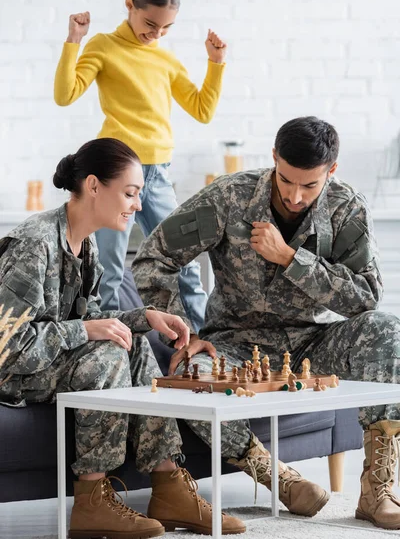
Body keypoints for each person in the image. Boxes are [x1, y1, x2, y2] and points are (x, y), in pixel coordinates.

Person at [132, 115, 400, 531]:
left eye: (309, 185)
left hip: (315, 343)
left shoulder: (348, 207)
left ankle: (376, 491)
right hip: (234, 346)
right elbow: (155, 258)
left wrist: (292, 260)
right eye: (286, 179)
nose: (295, 196)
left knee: (387, 330)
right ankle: (276, 476)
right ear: (274, 158)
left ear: (331, 170)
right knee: (191, 375)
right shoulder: (228, 197)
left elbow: (365, 296)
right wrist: (186, 330)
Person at [0, 138, 245, 538]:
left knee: (137, 343)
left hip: (50, 360)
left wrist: (143, 316)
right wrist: (86, 329)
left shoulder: (86, 242)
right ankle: (92, 500)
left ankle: (168, 485)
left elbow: (93, 317)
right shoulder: (34, 244)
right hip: (14, 373)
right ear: (94, 186)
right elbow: (8, 346)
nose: (136, 205)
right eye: (130, 194)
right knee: (108, 355)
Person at [54, 0, 227, 332]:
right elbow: (65, 94)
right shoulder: (103, 45)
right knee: (111, 270)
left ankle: (201, 344)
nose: (157, 34)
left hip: (159, 175)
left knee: (186, 263)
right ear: (129, 4)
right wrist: (74, 40)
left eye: (166, 28)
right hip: (117, 176)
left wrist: (215, 64)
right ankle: (117, 347)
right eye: (151, 23)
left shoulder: (163, 58)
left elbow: (202, 109)